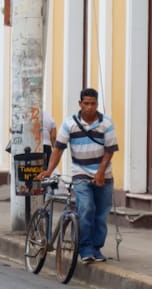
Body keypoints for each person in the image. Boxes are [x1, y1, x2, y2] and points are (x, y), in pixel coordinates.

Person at [38, 88, 118, 264]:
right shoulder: (69, 124)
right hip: (80, 173)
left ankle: (97, 248)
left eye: (93, 104)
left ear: (97, 105)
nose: (90, 107)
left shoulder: (106, 124)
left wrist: (100, 173)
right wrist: (49, 170)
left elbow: (109, 151)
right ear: (80, 104)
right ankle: (85, 248)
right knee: (87, 208)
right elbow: (58, 149)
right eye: (86, 103)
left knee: (102, 215)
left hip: (104, 175)